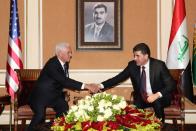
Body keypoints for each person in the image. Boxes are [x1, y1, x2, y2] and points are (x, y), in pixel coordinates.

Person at [97, 43, 176, 124]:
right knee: (133, 110)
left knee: (157, 102)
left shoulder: (159, 65)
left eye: (137, 56)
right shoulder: (132, 66)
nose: (135, 58)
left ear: (146, 56)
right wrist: (100, 85)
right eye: (134, 55)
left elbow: (171, 85)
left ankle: (160, 126)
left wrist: (156, 95)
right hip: (142, 98)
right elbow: (118, 78)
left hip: (160, 97)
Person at [28, 42, 100, 131]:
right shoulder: (52, 64)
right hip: (40, 96)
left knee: (63, 107)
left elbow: (62, 81)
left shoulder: (65, 63)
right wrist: (86, 86)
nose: (71, 55)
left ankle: (57, 128)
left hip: (53, 95)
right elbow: (64, 80)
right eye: (68, 53)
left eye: (71, 52)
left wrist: (84, 86)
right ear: (60, 54)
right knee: (40, 116)